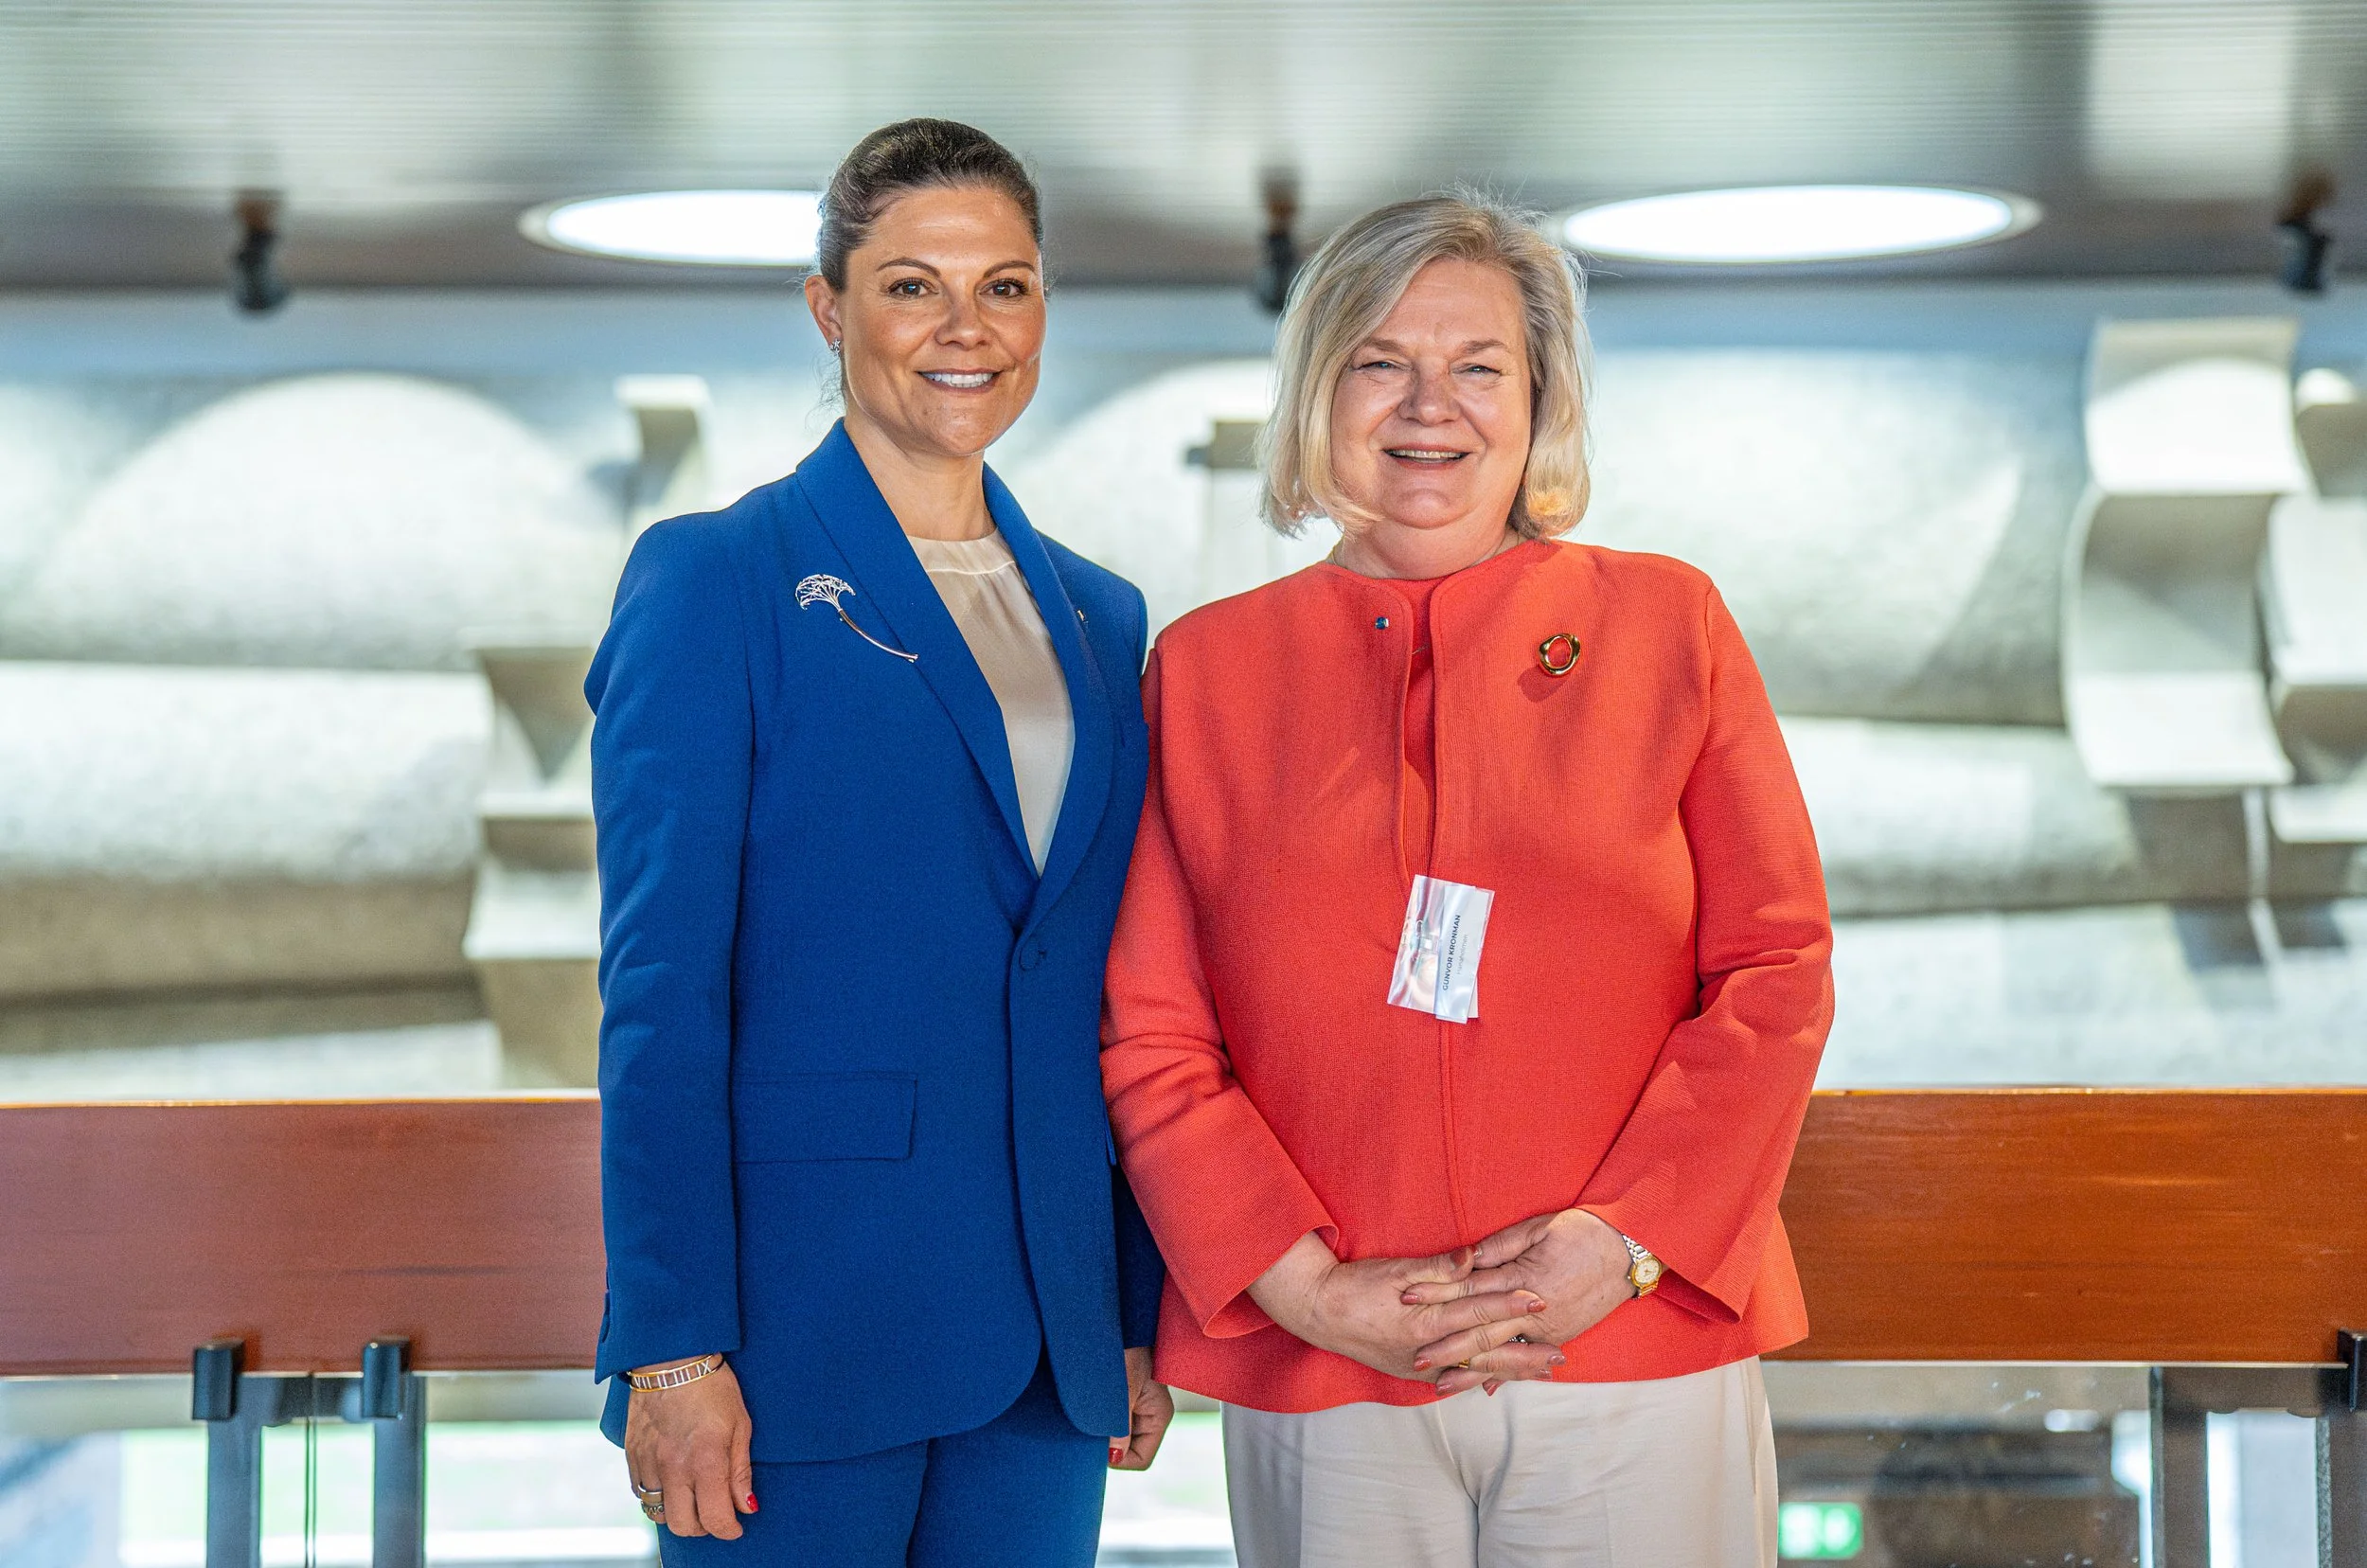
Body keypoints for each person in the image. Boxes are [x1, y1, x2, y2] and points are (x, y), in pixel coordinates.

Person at [1099, 193, 1835, 1567]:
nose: (1429, 405)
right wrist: (1299, 1284)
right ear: (1318, 393)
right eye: (1381, 359)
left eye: (1478, 366)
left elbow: (1776, 971)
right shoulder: (1200, 675)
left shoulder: (1669, 624)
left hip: (1631, 1340)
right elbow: (1150, 1032)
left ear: (1538, 398)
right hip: (1328, 1363)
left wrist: (1623, 1245)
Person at [587, 118, 1172, 1568]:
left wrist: (1131, 1305)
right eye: (913, 286)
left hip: (1046, 1343)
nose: (967, 330)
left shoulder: (1103, 617)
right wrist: (670, 1350)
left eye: (1009, 287)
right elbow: (661, 995)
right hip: (795, 1340)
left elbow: (1107, 983)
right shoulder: (716, 577)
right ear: (827, 306)